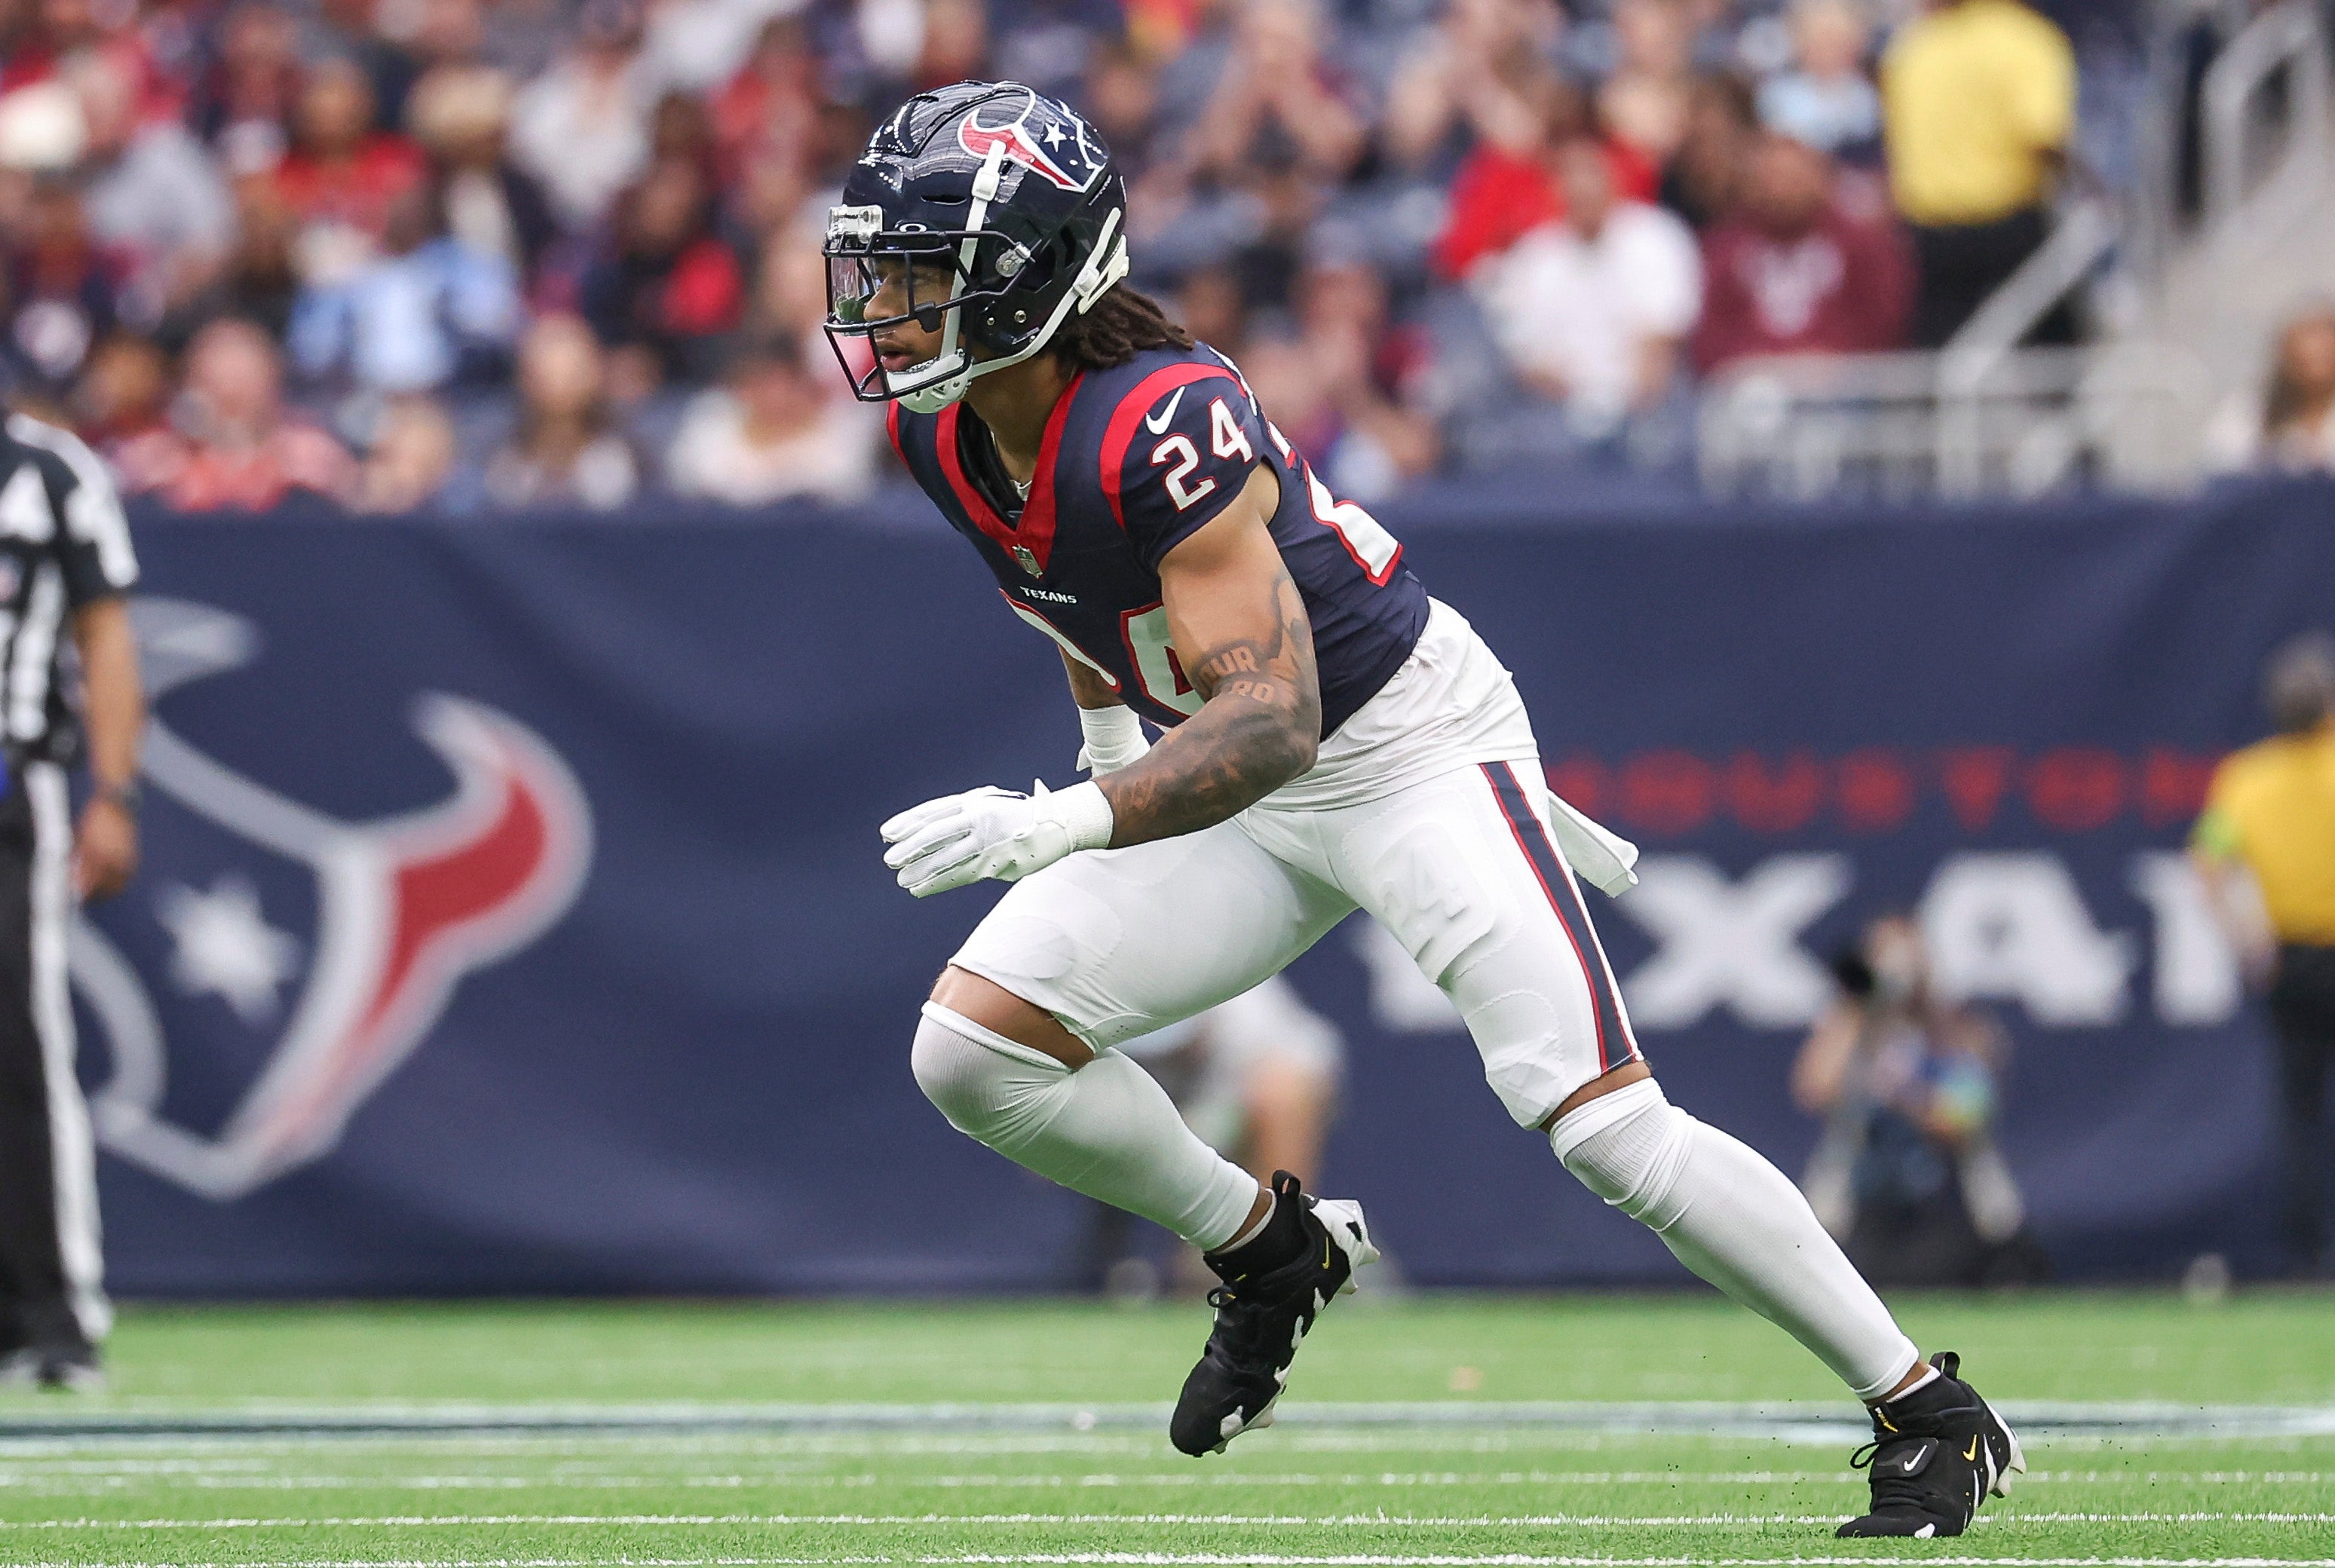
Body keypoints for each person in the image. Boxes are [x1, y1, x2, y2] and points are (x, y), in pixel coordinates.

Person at [827, 81, 2022, 1539]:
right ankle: (1266, 1251)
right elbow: (1061, 585)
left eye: (920, 272)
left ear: (1031, 278)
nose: (881, 307)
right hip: (1231, 775)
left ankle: (1924, 1405)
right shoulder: (949, 429)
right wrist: (1099, 743)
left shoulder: (1160, 418)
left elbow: (1276, 717)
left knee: (1600, 1124)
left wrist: (1068, 819)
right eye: (880, 269)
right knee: (971, 1052)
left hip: (1401, 751)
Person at [0, 408, 142, 1389]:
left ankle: (50, 1310)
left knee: (19, 1042)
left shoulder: (48, 471)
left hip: (13, 785)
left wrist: (114, 790)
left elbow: (105, 628)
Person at [1794, 915, 2043, 1288]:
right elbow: (1815, 1089)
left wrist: (1908, 1092)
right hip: (1861, 1207)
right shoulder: (1852, 1029)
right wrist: (1860, 1009)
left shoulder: (1957, 1029)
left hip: (1944, 1205)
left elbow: (1964, 1118)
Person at [2193, 634, 2335, 1279]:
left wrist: (2248, 944)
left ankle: (2307, 1253)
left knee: (2299, 1111)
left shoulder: (2247, 778)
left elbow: (2206, 868)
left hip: (2292, 960)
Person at [1086, 974, 1344, 1296]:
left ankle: (1274, 1255)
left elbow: (1293, 1083)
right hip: (1158, 1111)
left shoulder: (1249, 1020)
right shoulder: (1099, 1003)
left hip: (1241, 1099)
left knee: (1284, 1094)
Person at [1477, 133, 1702, 446]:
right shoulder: (1535, 258)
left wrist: (1624, 404)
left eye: (1590, 175)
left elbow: (1661, 342)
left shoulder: (1655, 237)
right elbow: (1530, 361)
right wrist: (1582, 404)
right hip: (1560, 414)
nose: (1581, 188)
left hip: (1650, 406)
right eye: (1569, 177)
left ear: (1613, 179)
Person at [1880, 0, 2076, 347]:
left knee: (1938, 348)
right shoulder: (2025, 38)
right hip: (2008, 224)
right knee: (2050, 351)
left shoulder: (1912, 45)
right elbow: (2043, 135)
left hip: (1931, 233)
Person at [1692, 130, 1912, 373]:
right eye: (1772, 179)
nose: (1781, 191)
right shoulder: (1724, 249)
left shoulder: (1862, 244)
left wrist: (1835, 357)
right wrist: (1756, 361)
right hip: (1751, 382)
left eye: (1792, 179)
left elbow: (1884, 319)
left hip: (1847, 380)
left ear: (1819, 177)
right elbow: (1709, 330)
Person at [112, 317, 357, 510]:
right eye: (216, 383)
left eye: (243, 382)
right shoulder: (153, 462)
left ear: (272, 384)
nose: (230, 393)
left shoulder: (312, 459)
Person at [664, 332, 876, 507]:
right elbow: (689, 487)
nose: (774, 396)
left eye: (783, 383)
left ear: (803, 383)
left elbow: (845, 490)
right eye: (760, 383)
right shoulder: (711, 426)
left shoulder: (842, 433)